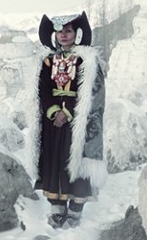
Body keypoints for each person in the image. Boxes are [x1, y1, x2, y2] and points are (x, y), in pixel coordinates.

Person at [32, 12, 106, 228]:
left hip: (77, 122)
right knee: (54, 160)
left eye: (68, 31)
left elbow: (93, 92)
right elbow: (43, 89)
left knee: (76, 162)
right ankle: (57, 207)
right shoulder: (48, 61)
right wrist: (55, 112)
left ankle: (75, 209)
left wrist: (69, 112)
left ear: (77, 33)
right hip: (52, 121)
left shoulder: (87, 60)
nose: (63, 35)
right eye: (60, 31)